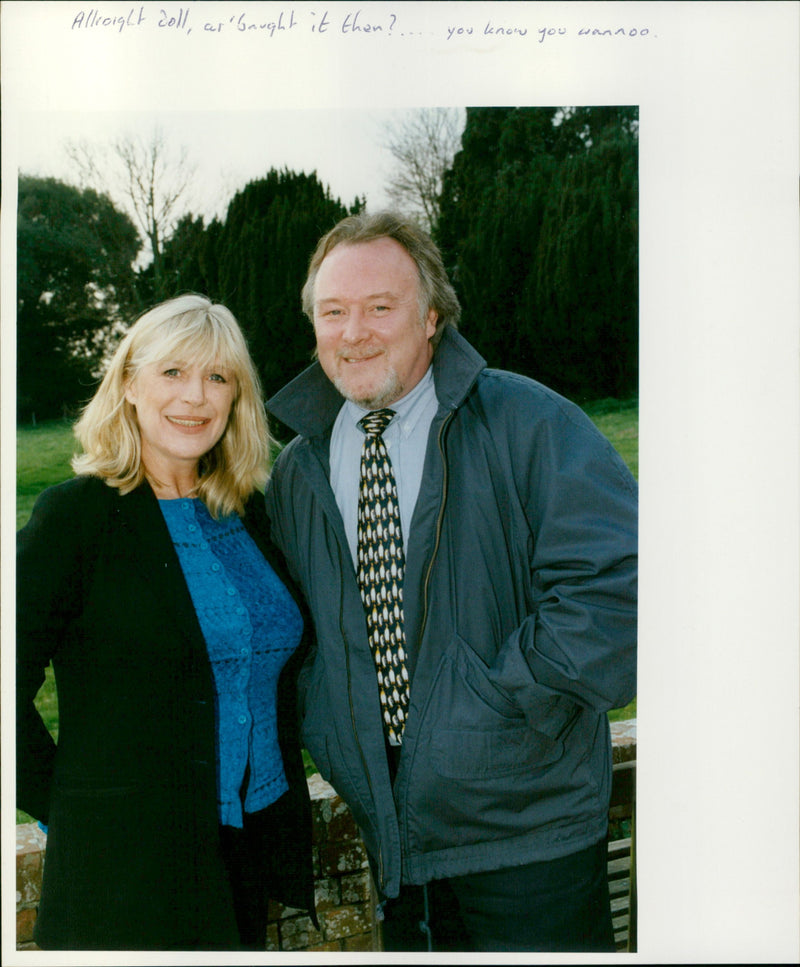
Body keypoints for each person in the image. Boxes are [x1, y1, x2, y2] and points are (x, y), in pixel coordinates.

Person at [264, 212, 638, 953]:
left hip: (529, 832)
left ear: (432, 315)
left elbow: (618, 584)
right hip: (396, 839)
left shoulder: (526, 421)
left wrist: (500, 705)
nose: (355, 331)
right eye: (333, 312)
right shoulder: (297, 470)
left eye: (381, 306)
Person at [16, 294, 317, 951]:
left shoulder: (249, 512)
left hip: (245, 850)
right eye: (173, 373)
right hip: (127, 876)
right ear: (128, 384)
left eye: (218, 376)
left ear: (237, 395)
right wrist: (70, 804)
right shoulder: (79, 518)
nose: (196, 396)